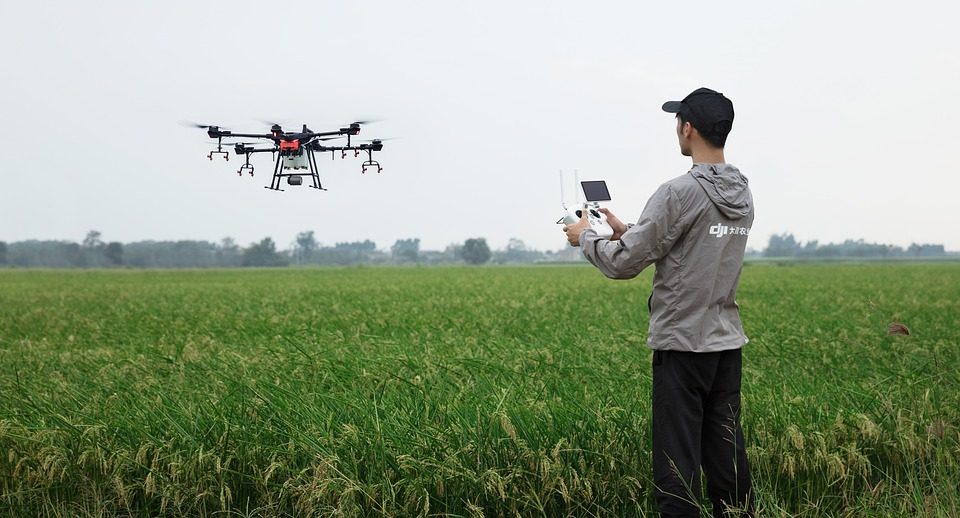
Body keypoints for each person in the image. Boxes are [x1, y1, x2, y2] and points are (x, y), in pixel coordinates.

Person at [563, 87, 754, 517]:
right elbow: (691, 241)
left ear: (688, 128)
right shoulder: (742, 192)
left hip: (682, 347)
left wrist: (586, 238)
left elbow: (625, 264)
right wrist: (627, 227)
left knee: (676, 465)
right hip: (725, 345)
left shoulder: (678, 192)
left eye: (678, 122)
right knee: (727, 458)